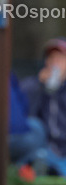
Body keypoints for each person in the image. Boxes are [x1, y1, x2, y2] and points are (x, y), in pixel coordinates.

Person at [21, 38, 66, 175]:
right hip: (43, 147)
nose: (54, 62)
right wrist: (39, 86)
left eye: (60, 58)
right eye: (51, 58)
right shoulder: (34, 85)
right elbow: (25, 116)